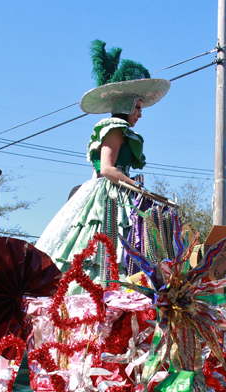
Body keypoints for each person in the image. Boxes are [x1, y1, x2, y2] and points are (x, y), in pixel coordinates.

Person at [35, 40, 170, 291]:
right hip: (107, 193)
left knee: (128, 242)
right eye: (138, 107)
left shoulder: (121, 130)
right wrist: (137, 188)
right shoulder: (115, 129)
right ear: (126, 106)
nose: (140, 113)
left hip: (119, 190)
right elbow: (107, 168)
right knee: (104, 240)